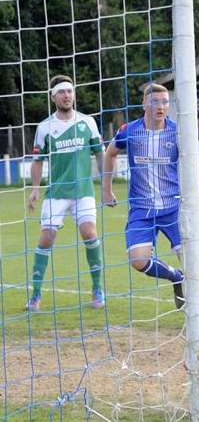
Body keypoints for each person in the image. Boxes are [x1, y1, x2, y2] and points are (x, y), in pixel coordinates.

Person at [102, 84, 199, 309]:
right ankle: (175, 277)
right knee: (138, 260)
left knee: (193, 261)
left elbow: (194, 165)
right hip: (142, 211)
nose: (161, 107)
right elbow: (110, 153)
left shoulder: (177, 131)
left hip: (174, 208)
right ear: (144, 104)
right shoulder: (130, 131)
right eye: (155, 101)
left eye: (165, 102)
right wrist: (106, 189)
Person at [25, 75, 105, 311]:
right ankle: (36, 294)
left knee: (89, 233)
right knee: (46, 237)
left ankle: (97, 290)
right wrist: (35, 189)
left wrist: (106, 184)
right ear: (53, 97)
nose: (67, 95)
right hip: (57, 192)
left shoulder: (88, 122)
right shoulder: (45, 128)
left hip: (83, 191)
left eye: (70, 91)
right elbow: (37, 161)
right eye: (61, 92)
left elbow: (100, 153)